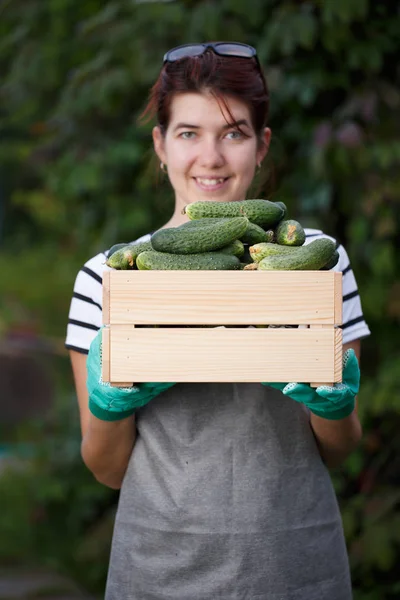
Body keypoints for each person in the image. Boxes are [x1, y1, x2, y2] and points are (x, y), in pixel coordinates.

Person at [66, 42, 371, 600]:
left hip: (295, 562)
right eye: (188, 133)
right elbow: (106, 468)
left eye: (233, 133)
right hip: (158, 564)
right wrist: (111, 404)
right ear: (160, 145)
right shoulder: (106, 280)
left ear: (262, 145)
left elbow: (340, 447)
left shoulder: (321, 264)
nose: (211, 157)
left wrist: (335, 403)